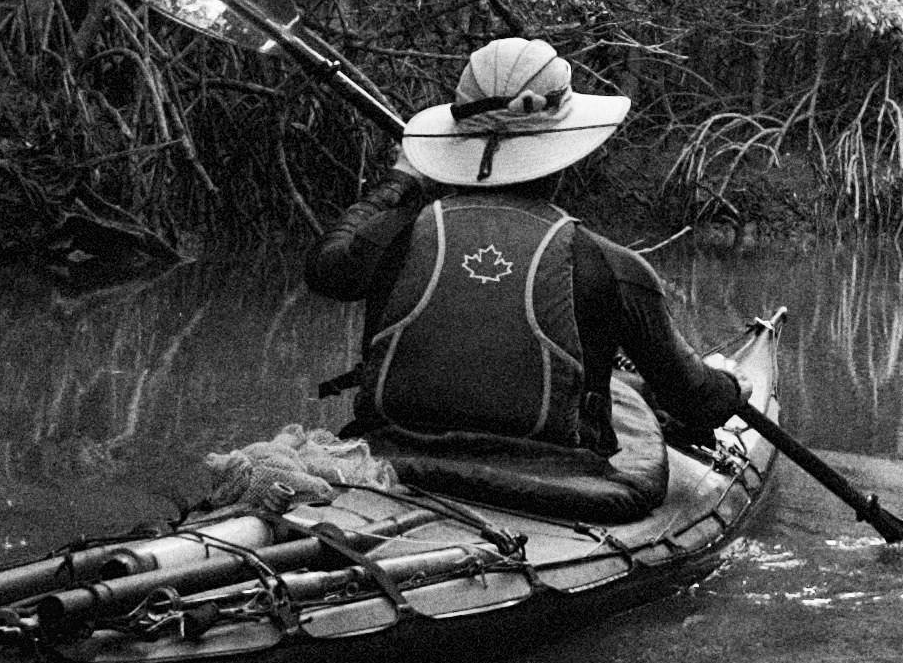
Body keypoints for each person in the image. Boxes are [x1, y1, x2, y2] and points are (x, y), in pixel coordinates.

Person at [304, 37, 748, 518]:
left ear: (459, 141)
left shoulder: (396, 237)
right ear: (568, 149)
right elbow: (698, 403)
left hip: (393, 460)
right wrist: (733, 386)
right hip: (557, 486)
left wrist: (401, 179)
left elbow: (328, 269)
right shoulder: (612, 266)